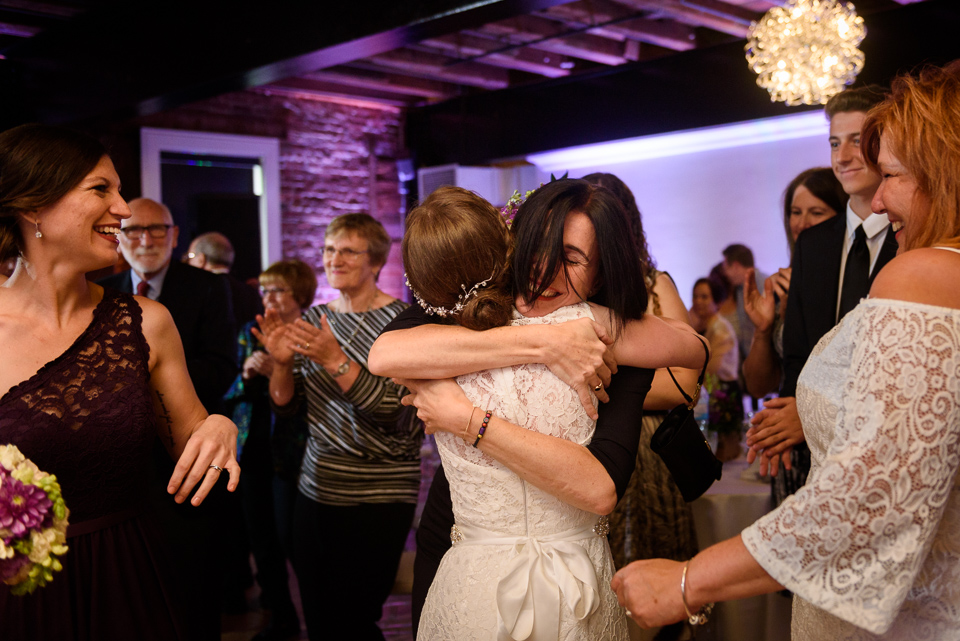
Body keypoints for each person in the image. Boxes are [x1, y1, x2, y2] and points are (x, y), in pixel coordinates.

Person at [612, 61, 960, 641]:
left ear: (944, 174)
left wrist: (689, 581)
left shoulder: (922, 273)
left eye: (892, 175)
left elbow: (869, 499)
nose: (876, 203)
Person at [373, 180, 705, 640]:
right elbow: (383, 355)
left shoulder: (609, 335)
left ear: (602, 272)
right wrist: (547, 341)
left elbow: (693, 350)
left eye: (570, 259)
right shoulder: (465, 307)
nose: (545, 269)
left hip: (570, 574)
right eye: (537, 248)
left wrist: (466, 419)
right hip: (460, 543)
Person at [0, 124, 239, 640]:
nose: (125, 208)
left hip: (133, 582)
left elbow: (193, 442)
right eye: (100, 189)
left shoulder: (147, 322)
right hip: (21, 597)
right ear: (34, 207)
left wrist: (219, 427)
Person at [254, 214, 421, 641]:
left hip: (379, 495)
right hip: (317, 490)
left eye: (348, 250)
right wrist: (282, 365)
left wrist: (335, 359)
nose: (335, 258)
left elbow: (393, 411)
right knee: (320, 620)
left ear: (376, 261)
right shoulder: (313, 319)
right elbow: (287, 408)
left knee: (356, 621)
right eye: (329, 249)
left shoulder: (404, 322)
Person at [99, 196, 243, 624]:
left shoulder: (207, 287)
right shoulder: (102, 292)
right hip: (124, 462)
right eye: (134, 230)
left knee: (191, 586)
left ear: (175, 235)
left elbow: (221, 368)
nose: (145, 240)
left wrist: (145, 375)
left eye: (156, 229)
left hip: (190, 449)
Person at [746, 85, 897, 486]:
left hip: (883, 449)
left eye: (857, 141)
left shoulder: (911, 238)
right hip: (809, 457)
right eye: (834, 143)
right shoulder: (812, 244)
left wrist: (811, 413)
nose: (843, 157)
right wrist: (790, 419)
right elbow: (797, 356)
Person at [581, 172, 699, 641]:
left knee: (650, 576)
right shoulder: (568, 289)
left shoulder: (654, 284)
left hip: (648, 452)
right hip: (583, 445)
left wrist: (602, 386)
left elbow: (687, 384)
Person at [223, 259, 317, 641]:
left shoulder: (312, 334)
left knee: (292, 538)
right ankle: (281, 615)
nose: (269, 297)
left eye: (277, 290)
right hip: (252, 444)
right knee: (260, 538)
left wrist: (281, 371)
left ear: (299, 295)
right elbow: (227, 391)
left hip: (296, 447)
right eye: (265, 290)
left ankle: (315, 616)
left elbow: (317, 396)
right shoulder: (250, 330)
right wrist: (247, 371)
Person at [741, 167, 846, 506]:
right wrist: (764, 328)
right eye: (795, 213)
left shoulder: (848, 283)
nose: (802, 223)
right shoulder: (778, 282)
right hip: (790, 446)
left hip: (833, 444)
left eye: (817, 213)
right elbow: (758, 386)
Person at [690, 277, 742, 461]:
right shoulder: (699, 325)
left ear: (717, 301)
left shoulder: (721, 330)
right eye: (695, 296)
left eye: (704, 297)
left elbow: (709, 369)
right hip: (708, 392)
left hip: (722, 395)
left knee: (724, 459)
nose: (698, 301)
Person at [186, 231, 263, 329]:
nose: (188, 262)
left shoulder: (196, 293)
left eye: (191, 256)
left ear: (201, 259)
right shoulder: (252, 294)